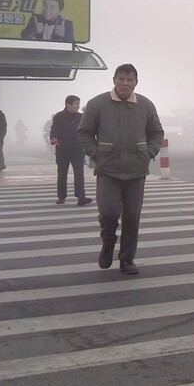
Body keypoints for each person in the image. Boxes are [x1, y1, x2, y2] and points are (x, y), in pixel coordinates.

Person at [77, 64, 164, 275]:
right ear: (114, 80)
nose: (125, 83)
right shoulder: (98, 104)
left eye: (130, 79)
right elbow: (84, 132)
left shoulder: (145, 105)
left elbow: (156, 133)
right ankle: (108, 244)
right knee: (109, 213)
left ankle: (127, 259)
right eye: (121, 79)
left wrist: (149, 152)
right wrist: (95, 153)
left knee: (132, 216)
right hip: (108, 170)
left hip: (136, 170)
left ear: (136, 82)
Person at [51, 95, 93, 206]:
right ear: (68, 104)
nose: (78, 106)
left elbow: (85, 131)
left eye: (79, 104)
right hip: (62, 149)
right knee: (62, 173)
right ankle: (61, 196)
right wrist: (54, 138)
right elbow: (54, 129)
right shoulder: (59, 117)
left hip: (78, 149)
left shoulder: (81, 117)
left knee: (79, 173)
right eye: (76, 104)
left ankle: (81, 197)